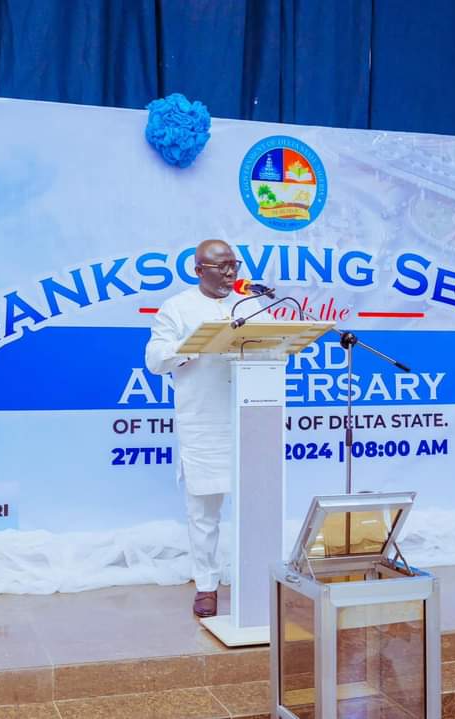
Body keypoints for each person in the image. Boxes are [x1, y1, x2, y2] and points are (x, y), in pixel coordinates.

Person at [144, 239, 274, 618]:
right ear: (199, 270)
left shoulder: (251, 304)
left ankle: (256, 580)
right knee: (204, 510)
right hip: (204, 421)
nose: (231, 273)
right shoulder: (178, 307)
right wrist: (196, 344)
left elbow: (273, 346)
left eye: (234, 264)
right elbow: (154, 359)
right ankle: (206, 585)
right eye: (222, 266)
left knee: (257, 505)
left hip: (253, 418)